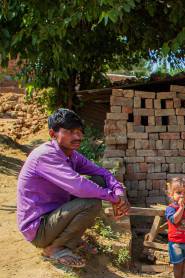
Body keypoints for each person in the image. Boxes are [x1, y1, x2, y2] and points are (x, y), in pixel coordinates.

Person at [16, 108, 130, 268]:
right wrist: (113, 198)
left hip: (54, 217)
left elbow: (102, 173)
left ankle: (71, 240)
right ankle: (53, 249)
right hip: (38, 229)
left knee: (98, 180)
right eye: (70, 132)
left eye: (79, 131)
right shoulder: (45, 156)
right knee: (91, 204)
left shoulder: (71, 154)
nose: (78, 137)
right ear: (52, 134)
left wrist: (119, 192)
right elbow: (78, 186)